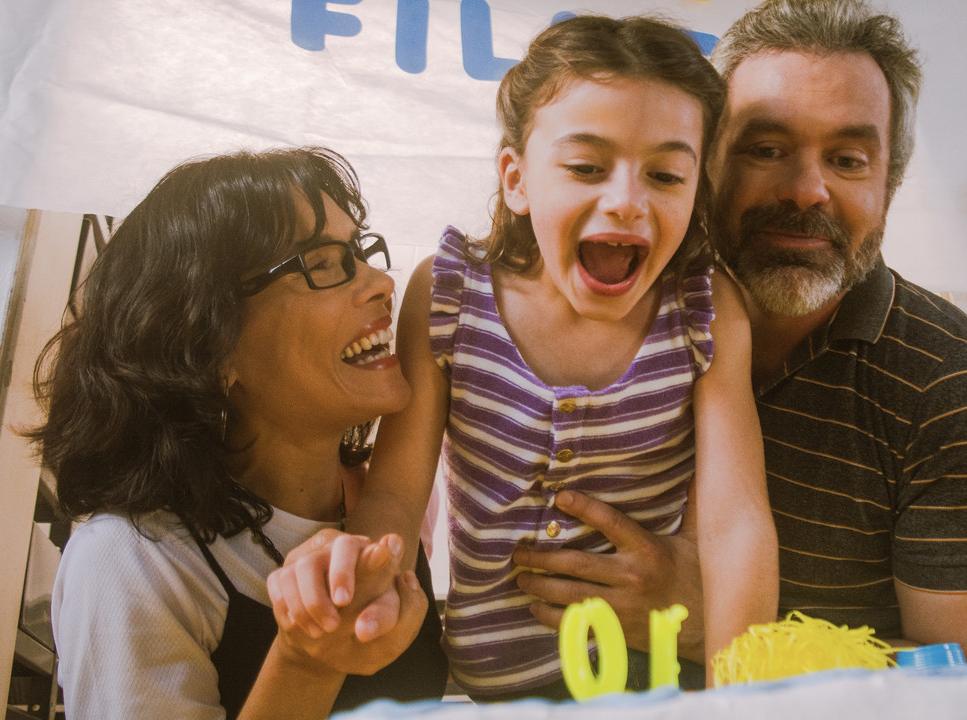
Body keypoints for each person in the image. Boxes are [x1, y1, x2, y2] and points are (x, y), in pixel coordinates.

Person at [509, 0, 967, 700]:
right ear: (704, 165)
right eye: (766, 150)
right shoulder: (609, 308)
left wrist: (727, 631)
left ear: (888, 187)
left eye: (848, 160)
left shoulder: (956, 390)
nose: (805, 191)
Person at [281, 14, 777, 701]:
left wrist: (739, 701)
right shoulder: (449, 294)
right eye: (586, 167)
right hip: (496, 694)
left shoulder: (705, 309)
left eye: (666, 174)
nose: (627, 201)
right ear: (516, 179)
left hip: (657, 685)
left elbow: (736, 524)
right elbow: (395, 492)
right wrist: (366, 573)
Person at [31, 147, 447, 719]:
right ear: (208, 341)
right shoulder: (133, 559)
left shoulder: (390, 504)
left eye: (359, 251)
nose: (381, 282)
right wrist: (306, 663)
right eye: (322, 263)